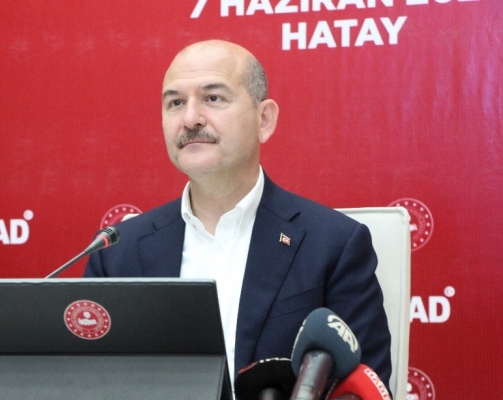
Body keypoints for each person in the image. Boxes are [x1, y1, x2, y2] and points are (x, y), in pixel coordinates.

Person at [84, 39, 392, 389]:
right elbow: (88, 383)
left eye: (213, 98)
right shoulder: (117, 253)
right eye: (176, 103)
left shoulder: (333, 245)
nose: (190, 118)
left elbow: (362, 389)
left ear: (264, 119)